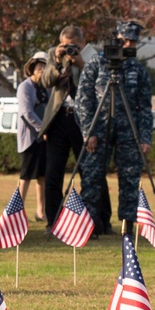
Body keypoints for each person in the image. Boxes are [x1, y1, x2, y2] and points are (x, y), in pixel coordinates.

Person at [75, 21, 153, 237]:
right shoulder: (96, 64)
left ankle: (127, 227)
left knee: (130, 179)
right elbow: (83, 100)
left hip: (130, 132)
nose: (128, 45)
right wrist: (88, 131)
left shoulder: (138, 70)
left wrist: (145, 137)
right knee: (91, 178)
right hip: (98, 131)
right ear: (116, 38)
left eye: (133, 41)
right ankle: (89, 226)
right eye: (125, 40)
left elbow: (145, 106)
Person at [38, 25, 108, 236]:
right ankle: (54, 221)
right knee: (53, 173)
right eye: (65, 45)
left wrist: (81, 63)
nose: (69, 49)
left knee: (91, 172)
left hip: (83, 120)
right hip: (59, 118)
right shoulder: (53, 54)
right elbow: (46, 81)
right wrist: (58, 61)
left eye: (74, 46)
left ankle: (99, 221)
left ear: (82, 43)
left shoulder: (92, 56)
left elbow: (98, 84)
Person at [16, 51, 49, 223]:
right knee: (26, 175)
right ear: (32, 68)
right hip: (30, 137)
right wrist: (42, 128)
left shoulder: (47, 88)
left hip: (44, 138)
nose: (42, 70)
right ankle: (18, 212)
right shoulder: (25, 87)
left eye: (45, 67)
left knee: (42, 176)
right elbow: (26, 113)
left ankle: (40, 211)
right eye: (39, 67)